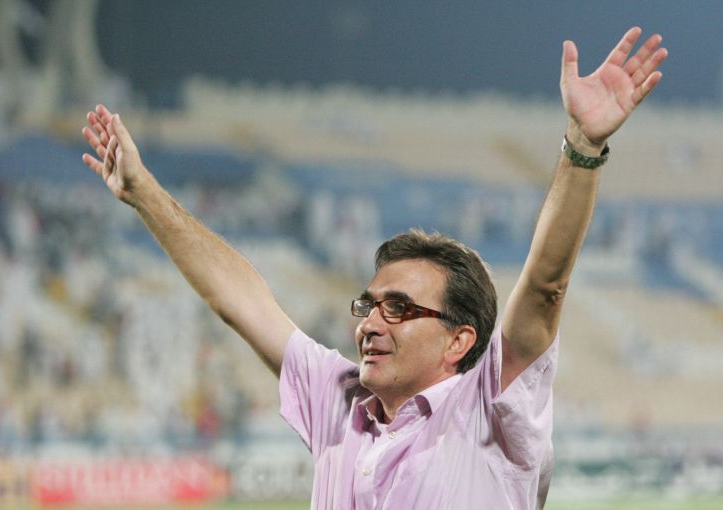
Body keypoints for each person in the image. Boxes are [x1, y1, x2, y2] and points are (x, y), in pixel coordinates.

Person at [81, 27, 666, 510]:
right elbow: (240, 300)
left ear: (459, 340)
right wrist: (143, 193)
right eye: (370, 304)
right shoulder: (338, 402)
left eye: (400, 308)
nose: (370, 323)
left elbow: (544, 287)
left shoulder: (489, 409)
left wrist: (582, 147)